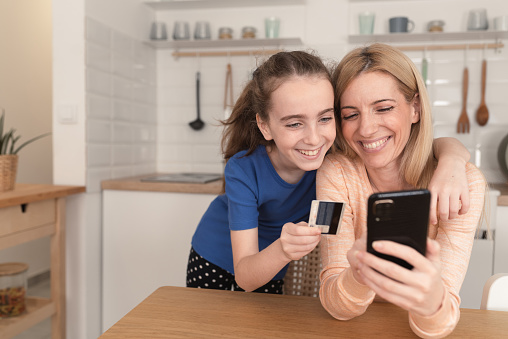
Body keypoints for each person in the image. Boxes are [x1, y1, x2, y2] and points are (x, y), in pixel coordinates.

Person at [186, 50, 471, 295]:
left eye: (324, 118)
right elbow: (245, 276)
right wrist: (283, 250)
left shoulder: (331, 159)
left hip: (272, 269)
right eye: (294, 123)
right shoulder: (244, 170)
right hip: (216, 258)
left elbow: (427, 142)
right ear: (265, 126)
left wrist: (453, 160)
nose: (313, 138)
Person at [317, 43, 486, 338]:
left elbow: (441, 323)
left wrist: (432, 300)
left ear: (415, 108)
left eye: (383, 108)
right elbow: (334, 303)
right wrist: (360, 273)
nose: (367, 129)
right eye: (350, 114)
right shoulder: (333, 173)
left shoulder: (463, 182)